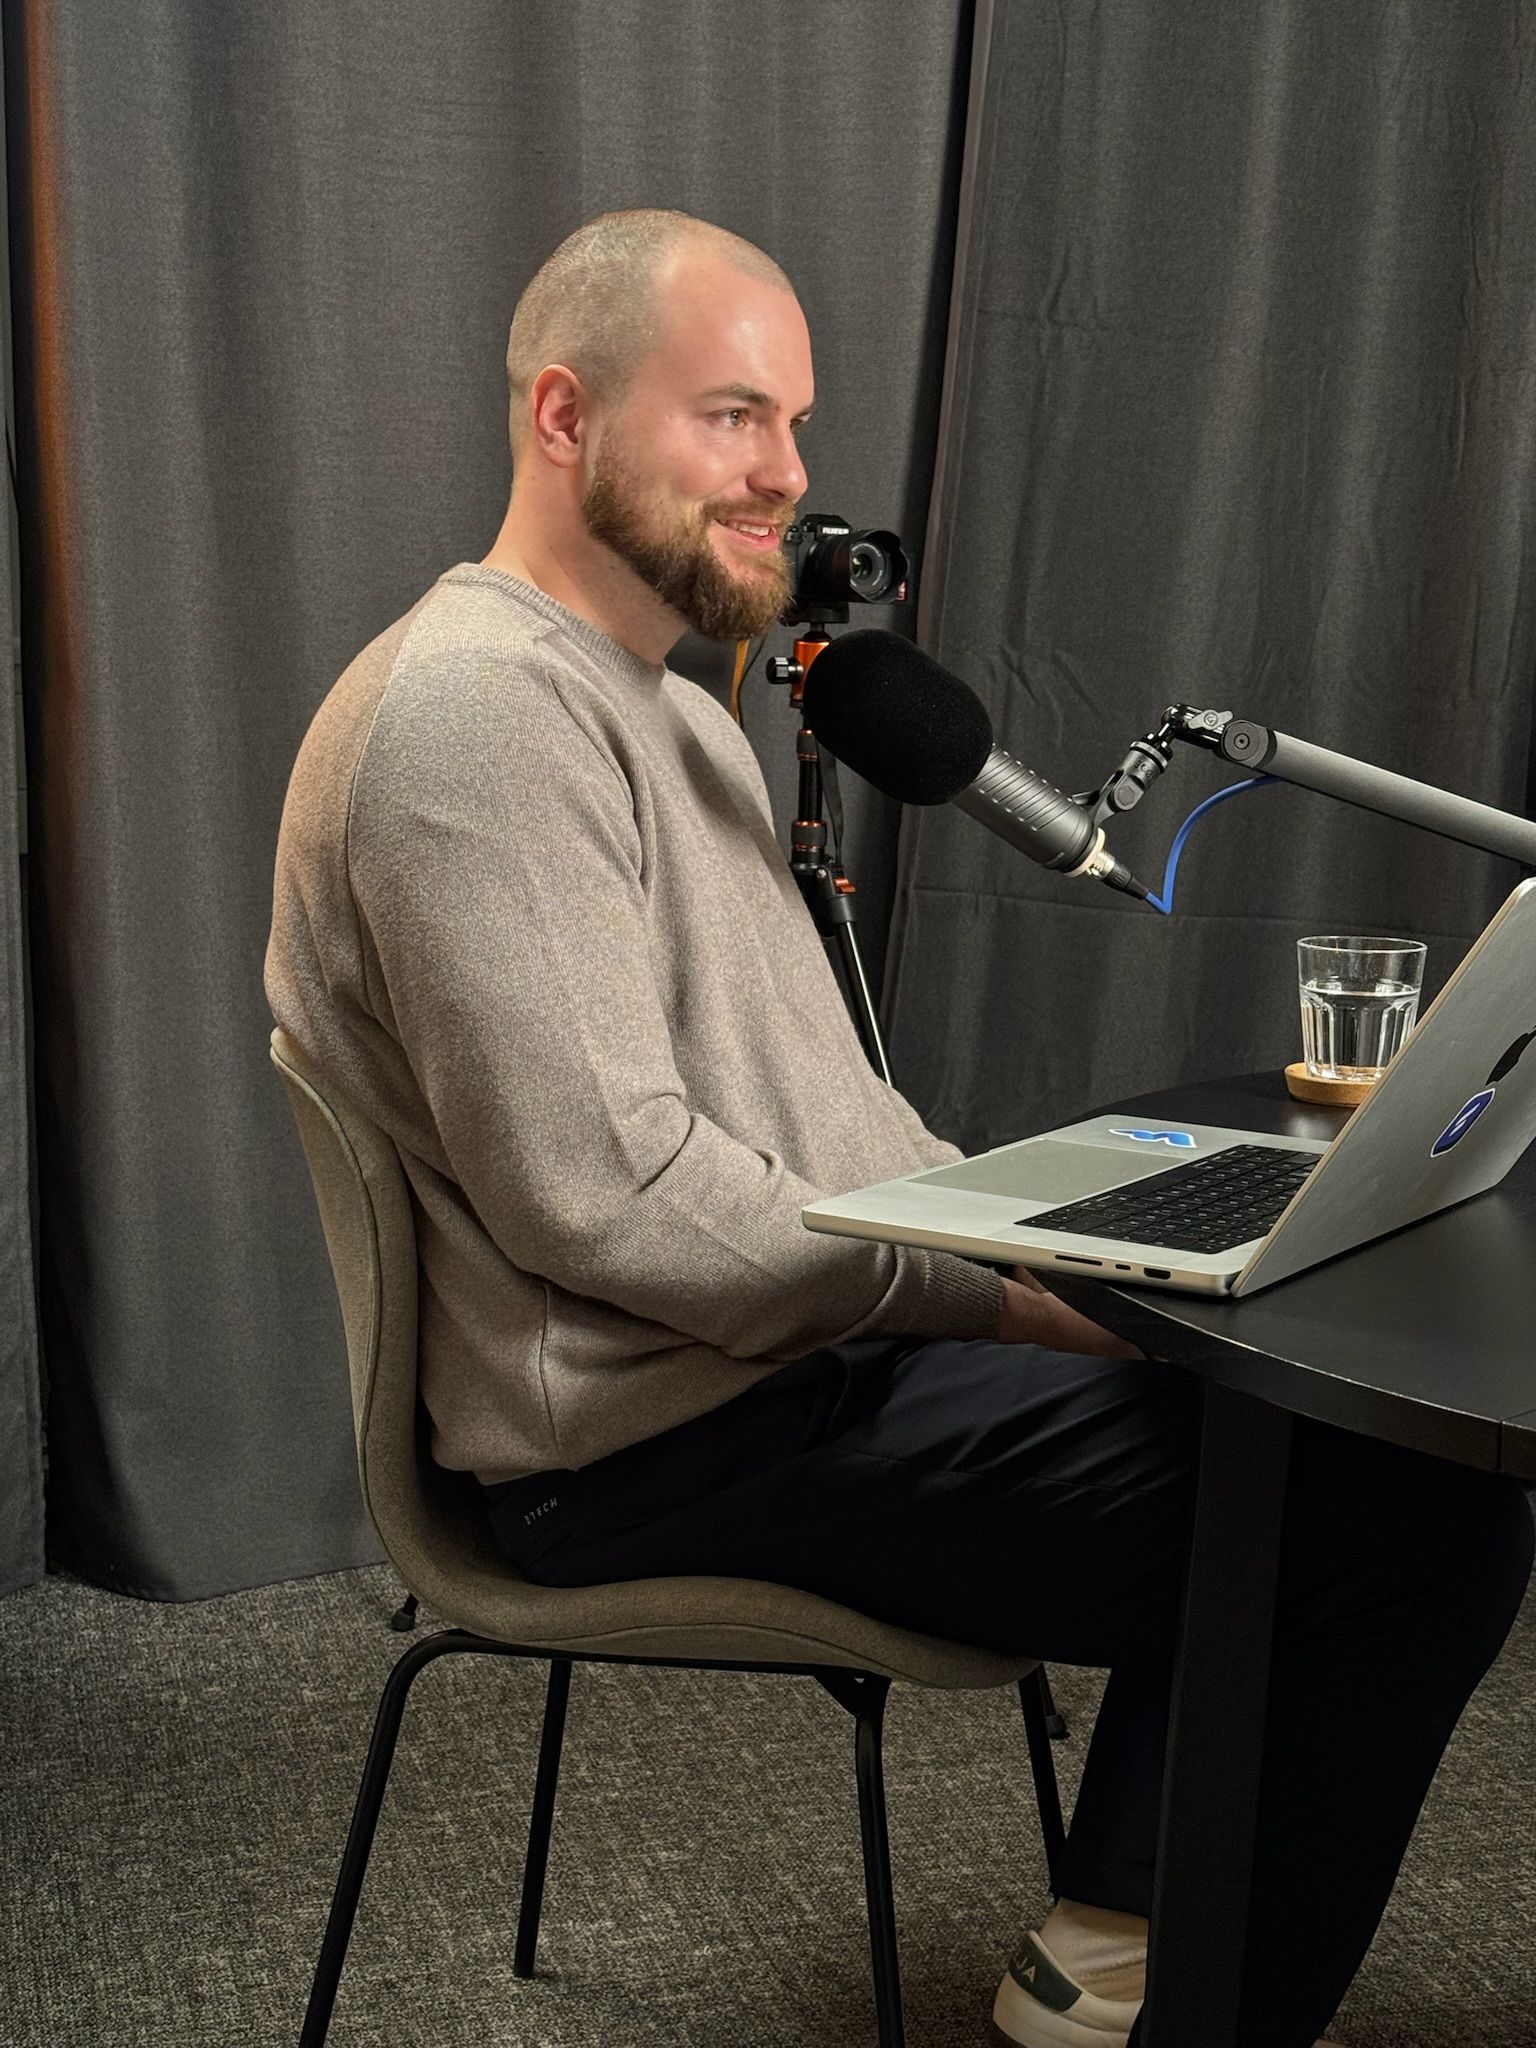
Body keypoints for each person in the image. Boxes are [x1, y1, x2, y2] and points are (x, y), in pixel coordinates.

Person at [265, 209, 1533, 2048]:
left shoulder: (667, 716)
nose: (786, 475)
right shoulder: (474, 720)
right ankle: (1143, 1992)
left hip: (787, 1363)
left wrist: (1076, 1235)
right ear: (563, 416)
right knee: (1406, 1522)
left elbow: (824, 1130)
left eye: (794, 421)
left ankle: (1115, 1955)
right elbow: (611, 1206)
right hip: (652, 1434)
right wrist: (1015, 1296)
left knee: (1295, 1429)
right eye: (728, 417)